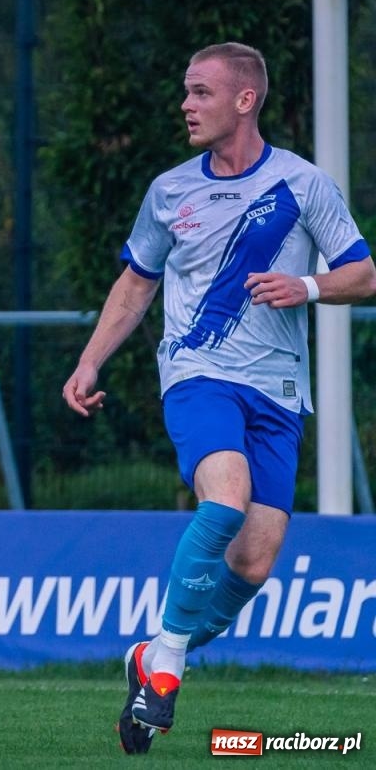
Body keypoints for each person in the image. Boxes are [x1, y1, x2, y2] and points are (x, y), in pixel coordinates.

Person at [61, 42, 375, 754]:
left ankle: (154, 651)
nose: (186, 104)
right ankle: (169, 663)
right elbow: (137, 282)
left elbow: (364, 272)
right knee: (224, 497)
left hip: (280, 392)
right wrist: (89, 360)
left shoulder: (302, 184)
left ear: (244, 100)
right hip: (199, 375)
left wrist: (308, 286)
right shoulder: (170, 190)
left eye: (200, 92)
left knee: (255, 561)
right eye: (185, 91)